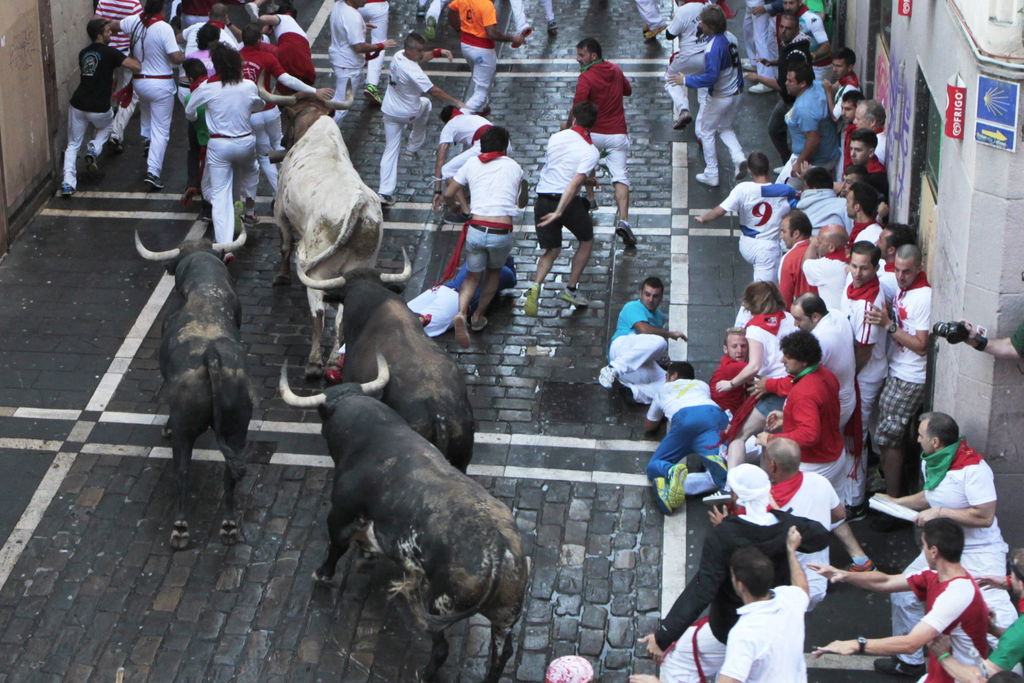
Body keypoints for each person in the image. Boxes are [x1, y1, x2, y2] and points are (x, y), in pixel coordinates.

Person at [637, 464, 829, 681]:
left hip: (727, 627)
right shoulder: (792, 599)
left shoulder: (724, 537)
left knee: (680, 662)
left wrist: (663, 636)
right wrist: (785, 527)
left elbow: (702, 590)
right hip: (775, 630)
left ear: (740, 584)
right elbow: (820, 536)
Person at [871, 412, 1017, 675]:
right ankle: (909, 662)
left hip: (980, 553)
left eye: (920, 436)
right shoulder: (933, 461)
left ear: (935, 441)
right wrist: (895, 502)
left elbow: (984, 517)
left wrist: (940, 513)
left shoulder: (975, 469)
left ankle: (1015, 672)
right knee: (904, 594)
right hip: (944, 547)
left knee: (996, 614)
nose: (917, 440)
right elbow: (931, 495)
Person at [811, 518, 993, 681]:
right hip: (940, 675)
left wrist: (856, 645)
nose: (922, 550)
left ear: (933, 551)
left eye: (923, 545)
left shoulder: (956, 595)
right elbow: (886, 581)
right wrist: (844, 575)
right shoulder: (935, 575)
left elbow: (911, 643)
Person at [441, 126, 524, 348]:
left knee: (472, 277)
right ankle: (478, 316)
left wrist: (456, 206)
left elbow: (448, 193)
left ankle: (461, 312)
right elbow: (521, 201)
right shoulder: (514, 166)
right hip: (500, 231)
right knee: (494, 273)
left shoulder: (471, 163)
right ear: (504, 147)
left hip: (476, 229)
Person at [521, 102, 601, 316]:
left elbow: (560, 169)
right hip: (566, 203)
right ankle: (571, 288)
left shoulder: (556, 138)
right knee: (586, 240)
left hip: (543, 199)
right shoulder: (590, 151)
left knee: (552, 250)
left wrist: (586, 182)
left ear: (573, 118)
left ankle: (535, 286)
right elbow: (573, 183)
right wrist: (559, 211)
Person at [866, 244, 931, 497]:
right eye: (898, 271)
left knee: (889, 440)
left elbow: (922, 346)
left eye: (907, 272)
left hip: (909, 378)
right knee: (887, 437)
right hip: (898, 372)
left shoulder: (923, 297)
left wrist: (889, 326)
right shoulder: (907, 290)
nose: (901, 277)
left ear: (919, 268)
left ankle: (893, 499)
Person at [755, 330, 851, 499]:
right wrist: (788, 417)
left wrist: (771, 439)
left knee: (799, 512)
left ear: (804, 361)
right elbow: (822, 412)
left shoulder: (804, 392)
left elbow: (809, 435)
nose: (782, 360)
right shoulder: (826, 375)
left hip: (815, 465)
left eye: (788, 357)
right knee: (835, 511)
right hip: (835, 455)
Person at [184, 43, 264, 247]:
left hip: (219, 145)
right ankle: (249, 209)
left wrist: (201, 117)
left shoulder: (206, 87)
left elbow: (189, 112)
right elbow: (258, 104)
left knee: (219, 194)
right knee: (252, 171)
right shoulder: (248, 85)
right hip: (245, 142)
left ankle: (225, 244)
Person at [239, 25, 333, 196]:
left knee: (264, 156)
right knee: (280, 145)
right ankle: (293, 185)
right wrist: (314, 91)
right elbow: (287, 79)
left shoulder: (235, 58)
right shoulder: (267, 57)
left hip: (251, 115)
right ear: (260, 39)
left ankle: (280, 193)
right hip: (270, 110)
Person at [377, 33, 463, 207]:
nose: (422, 53)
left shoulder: (398, 55)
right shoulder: (413, 71)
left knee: (390, 149)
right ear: (409, 50)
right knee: (426, 103)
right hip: (408, 111)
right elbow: (434, 91)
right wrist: (457, 102)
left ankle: (384, 193)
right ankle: (413, 147)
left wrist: (437, 52)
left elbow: (422, 58)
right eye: (419, 50)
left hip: (389, 110)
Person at [720, 282, 797, 470]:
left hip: (770, 391)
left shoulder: (755, 328)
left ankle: (733, 483)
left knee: (738, 436)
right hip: (792, 386)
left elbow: (754, 366)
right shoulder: (788, 318)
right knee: (768, 440)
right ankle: (768, 482)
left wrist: (730, 383)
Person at [62, 19, 141, 197]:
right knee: (108, 127)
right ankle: (94, 147)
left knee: (73, 144)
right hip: (99, 106)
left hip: (78, 104)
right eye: (108, 31)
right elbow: (135, 67)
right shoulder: (111, 52)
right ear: (99, 35)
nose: (111, 33)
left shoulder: (83, 53)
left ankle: (67, 183)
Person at [761, 438, 843, 608]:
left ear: (773, 465)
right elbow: (839, 514)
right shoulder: (820, 481)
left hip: (788, 588)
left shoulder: (768, 500)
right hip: (819, 582)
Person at [572, 38, 637, 247]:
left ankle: (591, 198)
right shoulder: (616, 70)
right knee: (620, 177)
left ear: (593, 55)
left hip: (593, 133)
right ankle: (624, 220)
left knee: (587, 164)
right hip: (617, 133)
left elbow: (578, 106)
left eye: (581, 55)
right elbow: (628, 90)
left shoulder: (586, 77)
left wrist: (568, 125)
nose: (578, 59)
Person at [716, 537, 810, 682]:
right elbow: (802, 588)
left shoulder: (744, 633)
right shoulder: (790, 599)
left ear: (740, 586)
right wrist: (791, 551)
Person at [116, 0, 185, 190]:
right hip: (161, 84)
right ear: (162, 8)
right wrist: (185, 54)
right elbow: (175, 57)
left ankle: (147, 139)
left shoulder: (134, 21)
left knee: (146, 110)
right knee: (161, 131)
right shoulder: (164, 28)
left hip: (140, 82)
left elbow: (112, 26)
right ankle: (153, 172)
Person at [643, 362, 730, 512]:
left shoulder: (663, 389)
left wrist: (662, 414)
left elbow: (649, 425)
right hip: (714, 415)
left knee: (654, 465)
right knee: (711, 447)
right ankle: (715, 457)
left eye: (666, 376)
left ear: (673, 376)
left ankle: (670, 472)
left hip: (686, 419)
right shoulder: (702, 385)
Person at [840, 241, 888, 510]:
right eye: (854, 266)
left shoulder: (870, 304)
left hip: (864, 376)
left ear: (876, 268)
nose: (857, 273)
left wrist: (848, 377)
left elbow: (865, 349)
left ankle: (854, 500)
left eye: (864, 268)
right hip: (858, 373)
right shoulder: (852, 283)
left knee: (854, 436)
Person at [697, 151, 792, 282]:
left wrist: (704, 218)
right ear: (769, 167)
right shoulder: (784, 191)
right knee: (765, 289)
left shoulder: (742, 189)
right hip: (767, 248)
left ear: (749, 170)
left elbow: (720, 211)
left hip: (746, 244)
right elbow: (805, 197)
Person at [930, 548, 1024, 681]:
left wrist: (943, 656)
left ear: (1021, 584)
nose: (1009, 577)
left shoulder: (1018, 634)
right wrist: (993, 629)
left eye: (1011, 575)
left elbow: (982, 676)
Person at [680, 4, 746, 187]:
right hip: (737, 92)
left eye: (703, 23)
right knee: (725, 127)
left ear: (711, 26)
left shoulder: (713, 47)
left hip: (720, 96)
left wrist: (685, 80)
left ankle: (711, 173)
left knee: (706, 131)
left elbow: (710, 77)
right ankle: (739, 157)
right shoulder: (731, 38)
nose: (700, 24)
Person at [599, 277, 687, 404]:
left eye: (655, 296)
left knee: (672, 385)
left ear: (661, 297)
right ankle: (612, 369)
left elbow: (650, 349)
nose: (651, 299)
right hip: (621, 349)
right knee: (660, 342)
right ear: (641, 293)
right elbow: (644, 330)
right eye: (647, 294)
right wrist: (670, 334)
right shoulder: (632, 306)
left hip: (637, 364)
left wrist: (664, 359)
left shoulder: (660, 317)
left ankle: (634, 392)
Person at [744, 12, 811, 167]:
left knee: (796, 138)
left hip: (795, 102)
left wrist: (758, 77)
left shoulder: (796, 54)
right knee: (774, 129)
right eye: (781, 27)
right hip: (787, 99)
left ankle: (795, 165)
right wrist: (771, 63)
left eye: (788, 28)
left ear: (797, 30)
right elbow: (784, 60)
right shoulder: (789, 44)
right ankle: (787, 162)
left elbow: (782, 85)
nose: (783, 31)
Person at [789, 293, 856, 429]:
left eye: (798, 319)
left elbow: (800, 378)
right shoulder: (835, 314)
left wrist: (769, 385)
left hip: (836, 400)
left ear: (815, 317)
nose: (795, 324)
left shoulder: (819, 340)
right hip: (845, 393)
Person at [447, 0, 526, 115]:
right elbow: (492, 34)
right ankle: (460, 116)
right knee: (481, 92)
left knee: (477, 76)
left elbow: (451, 11)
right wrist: (512, 38)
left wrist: (458, 30)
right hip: (482, 50)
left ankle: (481, 109)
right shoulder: (486, 6)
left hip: (466, 45)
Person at [407, 258, 517, 337]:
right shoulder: (505, 272)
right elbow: (512, 278)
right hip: (452, 298)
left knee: (405, 315)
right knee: (411, 324)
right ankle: (476, 316)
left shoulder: (473, 260)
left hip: (443, 291)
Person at [329, 0, 396, 124]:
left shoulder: (339, 6)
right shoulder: (353, 16)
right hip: (348, 66)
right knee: (342, 106)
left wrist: (361, 26)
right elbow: (359, 47)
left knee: (340, 98)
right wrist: (381, 45)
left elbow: (345, 26)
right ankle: (326, 131)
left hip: (340, 61)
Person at [778, 62, 839, 186]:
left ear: (802, 83)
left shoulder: (804, 109)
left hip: (813, 162)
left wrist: (798, 164)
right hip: (827, 154)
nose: (786, 83)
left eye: (790, 81)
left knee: (782, 193)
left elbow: (813, 140)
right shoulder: (818, 85)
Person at [95, 0, 142, 153]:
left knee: (110, 91)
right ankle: (115, 134)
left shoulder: (104, 1)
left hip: (106, 53)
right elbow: (139, 29)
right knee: (129, 95)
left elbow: (95, 23)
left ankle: (105, 129)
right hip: (125, 55)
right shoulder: (133, 3)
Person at [431, 105, 493, 207]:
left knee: (447, 170)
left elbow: (440, 160)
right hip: (504, 143)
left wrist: (437, 191)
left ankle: (464, 210)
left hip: (485, 144)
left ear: (446, 121)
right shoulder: (471, 117)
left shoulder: (449, 125)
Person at [251, 2, 317, 95]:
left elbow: (263, 19)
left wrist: (257, 17)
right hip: (306, 67)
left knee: (253, 42)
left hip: (286, 54)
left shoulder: (284, 17)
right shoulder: (296, 28)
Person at [664, 0, 710, 129]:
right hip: (709, 54)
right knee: (704, 94)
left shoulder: (684, 11)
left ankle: (683, 109)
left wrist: (677, 19)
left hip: (689, 57)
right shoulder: (708, 5)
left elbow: (669, 35)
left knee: (670, 78)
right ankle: (703, 130)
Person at [800, 223, 849, 311]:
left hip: (835, 316)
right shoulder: (854, 257)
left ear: (831, 247)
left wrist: (812, 244)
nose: (817, 245)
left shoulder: (827, 266)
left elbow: (805, 265)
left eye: (819, 242)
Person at [781, 0, 830, 79]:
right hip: (799, 67)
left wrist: (810, 56)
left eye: (791, 3)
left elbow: (826, 46)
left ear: (800, 2)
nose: (787, 7)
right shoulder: (788, 17)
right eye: (785, 3)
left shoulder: (812, 19)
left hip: (818, 67)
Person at [777, 210, 816, 306]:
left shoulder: (789, 258)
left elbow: (784, 298)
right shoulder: (822, 251)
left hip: (800, 312)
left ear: (796, 234)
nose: (781, 236)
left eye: (784, 231)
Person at [794, 165, 851, 231]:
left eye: (805, 187)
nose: (802, 191)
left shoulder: (798, 212)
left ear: (813, 188)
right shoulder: (844, 204)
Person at [710, 327, 749, 413]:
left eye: (743, 346)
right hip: (725, 417)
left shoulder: (726, 363)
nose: (740, 351)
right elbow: (757, 368)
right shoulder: (733, 367)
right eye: (734, 346)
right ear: (725, 349)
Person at [743, 1, 779, 95]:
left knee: (760, 38)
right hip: (751, 2)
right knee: (748, 30)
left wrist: (767, 7)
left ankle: (767, 78)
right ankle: (755, 62)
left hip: (761, 2)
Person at [358, 0, 391, 104]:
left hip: (355, 5)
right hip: (378, 5)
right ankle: (372, 84)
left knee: (355, 34)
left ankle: (358, 62)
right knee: (379, 43)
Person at [876, 223, 917, 303]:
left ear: (891, 250)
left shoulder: (887, 281)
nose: (877, 242)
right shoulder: (886, 271)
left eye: (880, 240)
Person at [848, 128, 889, 202]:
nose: (852, 154)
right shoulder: (859, 167)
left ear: (871, 152)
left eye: (858, 150)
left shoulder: (877, 178)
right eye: (851, 149)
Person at [827, 47, 860, 120]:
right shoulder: (846, 77)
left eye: (838, 66)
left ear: (850, 67)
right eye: (833, 65)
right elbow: (834, 87)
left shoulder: (849, 89)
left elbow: (835, 117)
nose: (834, 69)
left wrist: (828, 92)